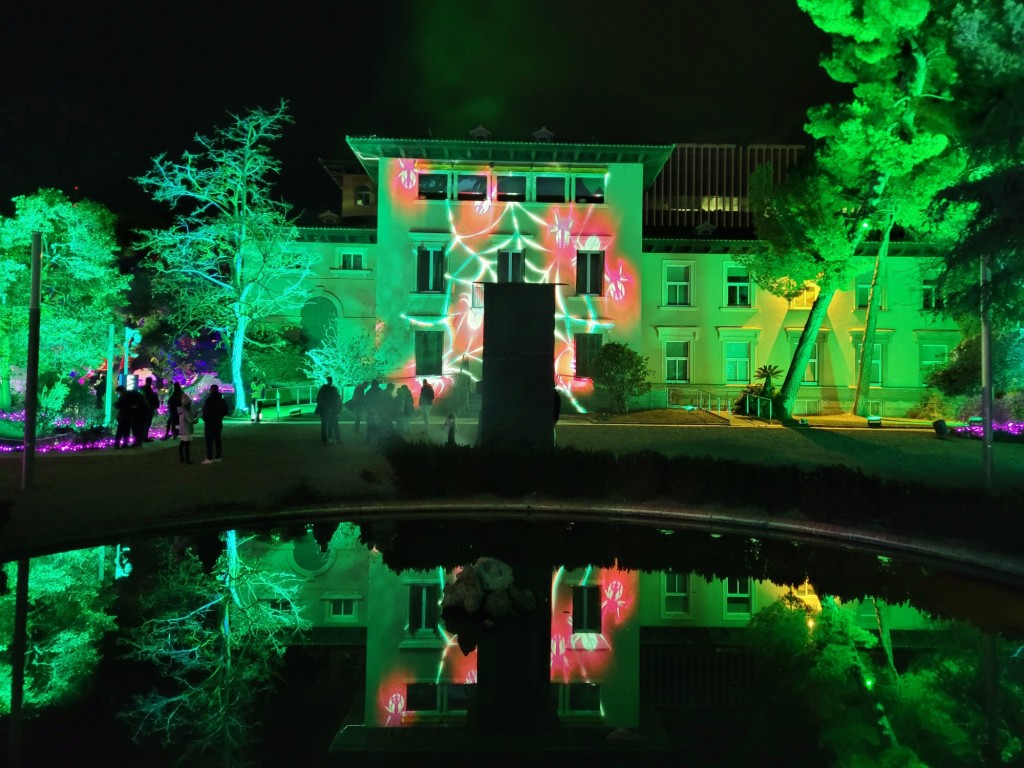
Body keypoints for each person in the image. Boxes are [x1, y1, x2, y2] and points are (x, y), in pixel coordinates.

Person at [200, 384, 229, 464]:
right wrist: (220, 416)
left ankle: (209, 458)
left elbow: (205, 412)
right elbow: (226, 411)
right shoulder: (222, 401)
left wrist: (205, 419)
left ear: (211, 390)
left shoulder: (209, 400)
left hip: (209, 423)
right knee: (218, 440)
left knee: (209, 441)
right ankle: (218, 457)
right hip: (218, 422)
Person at [315, 376, 342, 444]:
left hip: (324, 410)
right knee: (334, 425)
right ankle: (337, 439)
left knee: (324, 425)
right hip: (332, 410)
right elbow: (337, 399)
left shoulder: (323, 389)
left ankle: (325, 440)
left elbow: (318, 399)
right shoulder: (333, 389)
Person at [363, 379, 385, 445]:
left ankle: (368, 440)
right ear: (377, 384)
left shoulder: (369, 392)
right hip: (378, 412)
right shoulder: (380, 391)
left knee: (370, 427)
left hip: (371, 412)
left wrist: (368, 409)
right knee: (378, 426)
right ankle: (378, 441)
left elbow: (365, 402)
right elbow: (383, 401)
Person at [177, 393, 196, 464]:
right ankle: (187, 460)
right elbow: (190, 420)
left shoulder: (181, 409)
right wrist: (195, 419)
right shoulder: (186, 410)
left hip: (182, 429)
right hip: (187, 429)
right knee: (187, 445)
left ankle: (182, 458)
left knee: (182, 444)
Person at [141, 377, 160, 441]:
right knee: (147, 422)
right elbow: (146, 397)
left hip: (146, 407)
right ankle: (144, 437)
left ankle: (143, 437)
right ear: (151, 381)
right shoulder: (147, 388)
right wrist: (149, 404)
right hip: (148, 407)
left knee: (145, 422)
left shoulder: (144, 388)